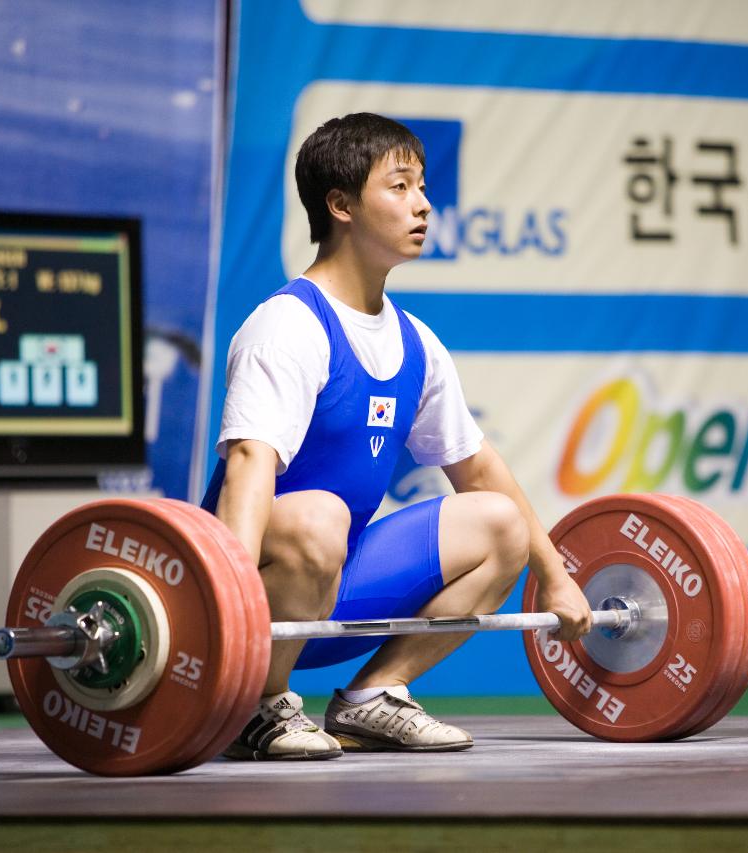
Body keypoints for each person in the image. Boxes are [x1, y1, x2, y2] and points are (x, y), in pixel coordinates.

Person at [201, 112, 592, 761]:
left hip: (335, 589)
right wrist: (224, 608)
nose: (424, 204)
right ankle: (257, 703)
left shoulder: (417, 343)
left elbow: (480, 468)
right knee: (321, 514)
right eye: (401, 186)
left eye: (422, 187)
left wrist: (556, 578)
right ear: (340, 204)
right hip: (249, 597)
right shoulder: (288, 326)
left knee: (501, 523)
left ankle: (372, 697)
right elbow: (247, 466)